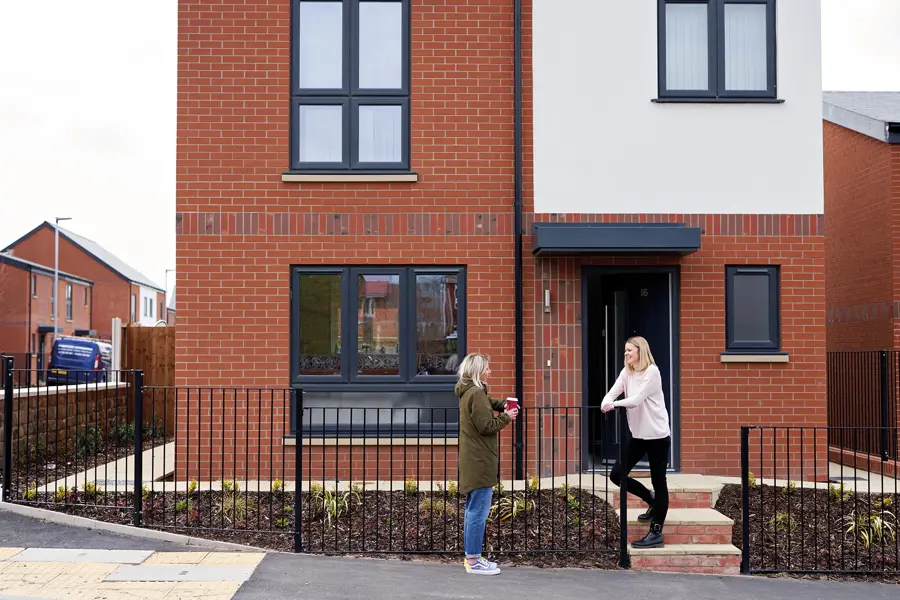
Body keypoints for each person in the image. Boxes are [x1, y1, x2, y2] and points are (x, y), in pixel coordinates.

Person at [601, 336, 671, 549]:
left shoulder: (652, 372)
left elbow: (637, 400)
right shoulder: (627, 372)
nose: (626, 353)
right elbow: (612, 393)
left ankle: (656, 532)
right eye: (625, 350)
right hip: (638, 435)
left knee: (659, 481)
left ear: (640, 351)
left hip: (657, 436)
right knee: (616, 475)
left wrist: (614, 405)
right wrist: (606, 401)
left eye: (629, 350)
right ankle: (651, 499)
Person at [455, 352, 518, 575]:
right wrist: (507, 417)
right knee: (478, 513)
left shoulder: (469, 392)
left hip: (472, 459)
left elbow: (487, 404)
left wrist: (503, 405)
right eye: (487, 369)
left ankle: (472, 558)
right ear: (478, 371)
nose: (490, 372)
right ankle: (473, 561)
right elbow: (486, 425)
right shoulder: (476, 393)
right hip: (480, 461)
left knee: (472, 510)